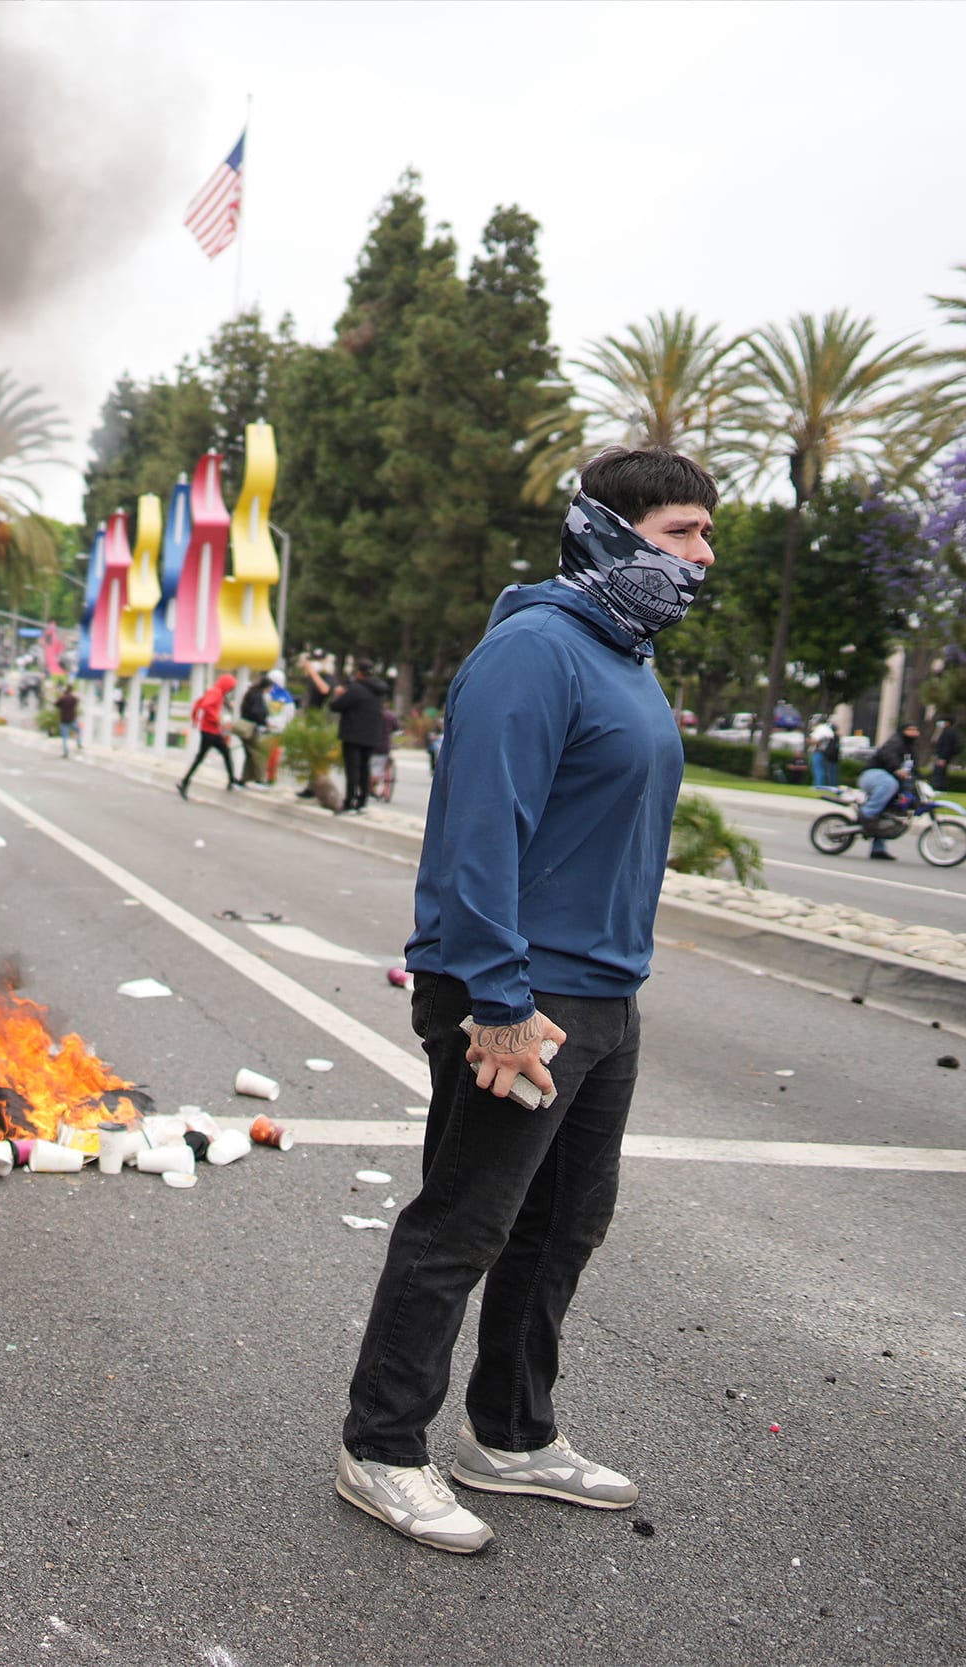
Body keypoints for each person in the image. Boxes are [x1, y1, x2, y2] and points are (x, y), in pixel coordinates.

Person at [336, 447, 716, 1555]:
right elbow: (476, 838)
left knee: (561, 1223)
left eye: (704, 535)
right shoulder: (536, 650)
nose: (703, 557)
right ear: (609, 528)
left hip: (601, 991)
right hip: (517, 992)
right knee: (464, 1221)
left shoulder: (624, 654)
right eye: (683, 532)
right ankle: (381, 1444)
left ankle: (507, 1432)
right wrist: (496, 1002)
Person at [309, 656, 394, 814]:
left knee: (353, 769)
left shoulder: (356, 689)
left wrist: (340, 694)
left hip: (354, 735)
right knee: (364, 768)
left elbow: (336, 706)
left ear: (359, 672)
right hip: (372, 735)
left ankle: (350, 802)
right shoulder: (379, 691)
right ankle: (362, 802)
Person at [859, 723, 920, 861]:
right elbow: (887, 755)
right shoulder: (895, 742)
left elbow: (914, 768)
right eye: (910, 729)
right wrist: (896, 769)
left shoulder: (911, 749)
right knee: (889, 783)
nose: (914, 732)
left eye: (916, 730)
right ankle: (867, 813)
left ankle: (878, 849)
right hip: (873, 776)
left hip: (890, 782)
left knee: (889, 811)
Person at [176, 673, 237, 800]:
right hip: (211, 730)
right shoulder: (217, 693)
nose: (230, 690)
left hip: (209, 730)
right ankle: (231, 780)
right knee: (225, 753)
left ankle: (185, 781)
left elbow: (200, 704)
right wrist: (216, 719)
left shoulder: (214, 691)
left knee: (205, 756)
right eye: (230, 688)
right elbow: (206, 705)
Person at [930, 716, 964, 793]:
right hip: (944, 757)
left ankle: (938, 788)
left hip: (943, 757)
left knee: (939, 773)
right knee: (940, 772)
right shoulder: (947, 731)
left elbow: (946, 746)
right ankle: (939, 788)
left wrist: (942, 758)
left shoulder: (947, 732)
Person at [53, 683, 82, 759]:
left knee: (65, 737)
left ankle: (66, 752)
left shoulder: (62, 698)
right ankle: (79, 744)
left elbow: (56, 704)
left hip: (64, 720)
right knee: (78, 730)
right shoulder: (73, 698)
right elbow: (77, 701)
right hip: (72, 719)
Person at [809, 719, 840, 789]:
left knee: (819, 770)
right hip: (824, 753)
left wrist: (810, 741)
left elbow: (816, 741)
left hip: (818, 752)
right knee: (822, 770)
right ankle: (819, 785)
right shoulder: (829, 733)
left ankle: (818, 785)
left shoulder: (822, 730)